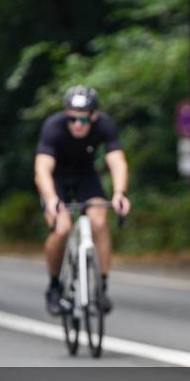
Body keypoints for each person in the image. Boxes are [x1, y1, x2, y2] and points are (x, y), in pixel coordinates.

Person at [34, 85, 130, 315]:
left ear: (94, 116)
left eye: (83, 120)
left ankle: (102, 288)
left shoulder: (104, 125)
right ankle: (55, 285)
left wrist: (119, 193)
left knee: (99, 222)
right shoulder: (53, 126)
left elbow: (117, 161)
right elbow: (42, 169)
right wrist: (51, 200)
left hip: (85, 177)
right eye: (73, 119)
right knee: (62, 227)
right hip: (56, 180)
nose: (77, 124)